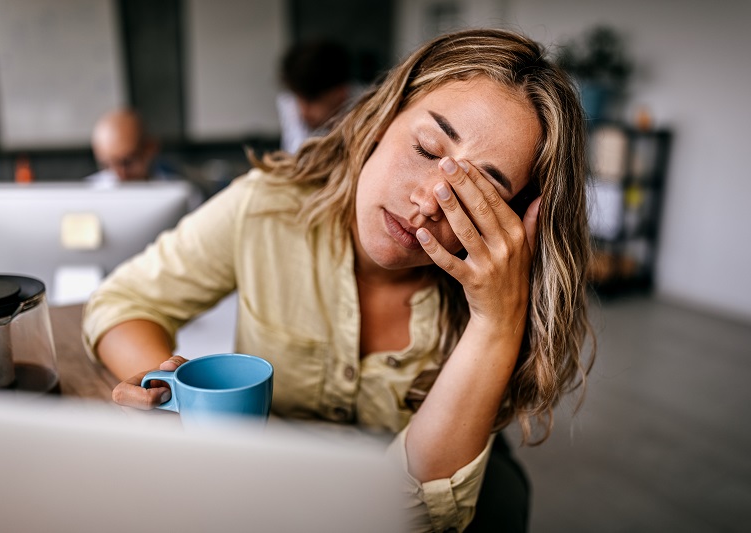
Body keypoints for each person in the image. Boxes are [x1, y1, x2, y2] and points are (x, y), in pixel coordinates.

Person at [83, 28, 594, 532]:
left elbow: (420, 515)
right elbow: (122, 302)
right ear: (380, 120)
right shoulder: (268, 207)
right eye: (426, 148)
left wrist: (496, 322)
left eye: (478, 192)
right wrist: (177, 401)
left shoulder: (498, 297)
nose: (427, 201)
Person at [276, 39, 360, 153]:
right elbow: (296, 156)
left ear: (340, 92)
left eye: (311, 100)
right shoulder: (290, 102)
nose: (303, 111)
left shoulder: (366, 108)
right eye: (299, 99)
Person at [86, 108, 177, 184]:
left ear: (151, 148)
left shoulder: (178, 189)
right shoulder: (86, 193)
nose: (118, 175)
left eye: (126, 162)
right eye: (107, 165)